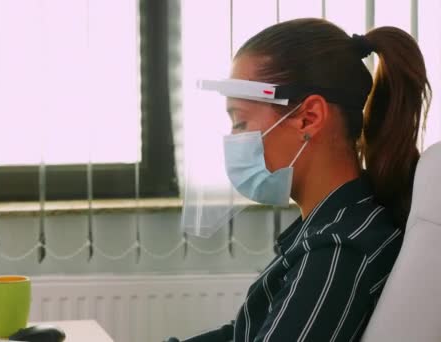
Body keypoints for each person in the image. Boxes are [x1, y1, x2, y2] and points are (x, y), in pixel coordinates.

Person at [172, 18, 431, 342]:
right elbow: (244, 335)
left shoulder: (338, 250)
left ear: (309, 118)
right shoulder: (334, 226)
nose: (232, 140)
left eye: (240, 123)